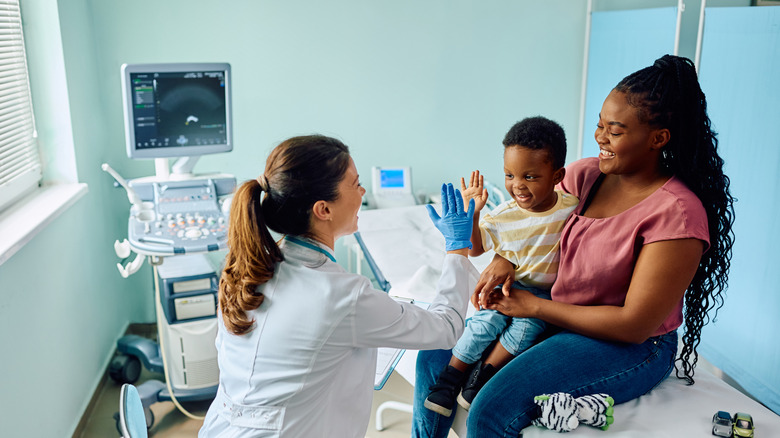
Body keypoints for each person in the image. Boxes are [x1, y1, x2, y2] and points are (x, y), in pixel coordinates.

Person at [412, 54, 735, 437]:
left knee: (490, 411)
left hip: (628, 344)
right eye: (600, 125)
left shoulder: (677, 215)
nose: (600, 138)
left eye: (614, 131)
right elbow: (536, 223)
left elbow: (634, 325)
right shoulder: (587, 175)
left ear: (658, 139)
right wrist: (504, 259)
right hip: (553, 313)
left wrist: (534, 306)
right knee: (434, 355)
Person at [198, 135, 480, 437]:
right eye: (355, 184)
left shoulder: (245, 269)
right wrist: (456, 248)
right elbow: (447, 327)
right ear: (323, 209)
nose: (363, 192)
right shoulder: (342, 294)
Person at [423, 116, 579, 417]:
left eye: (530, 177)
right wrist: (474, 216)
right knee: (485, 323)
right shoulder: (505, 214)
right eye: (509, 175)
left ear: (557, 175)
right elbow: (477, 246)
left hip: (543, 296)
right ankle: (450, 377)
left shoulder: (571, 208)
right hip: (511, 284)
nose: (517, 186)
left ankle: (482, 376)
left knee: (526, 330)